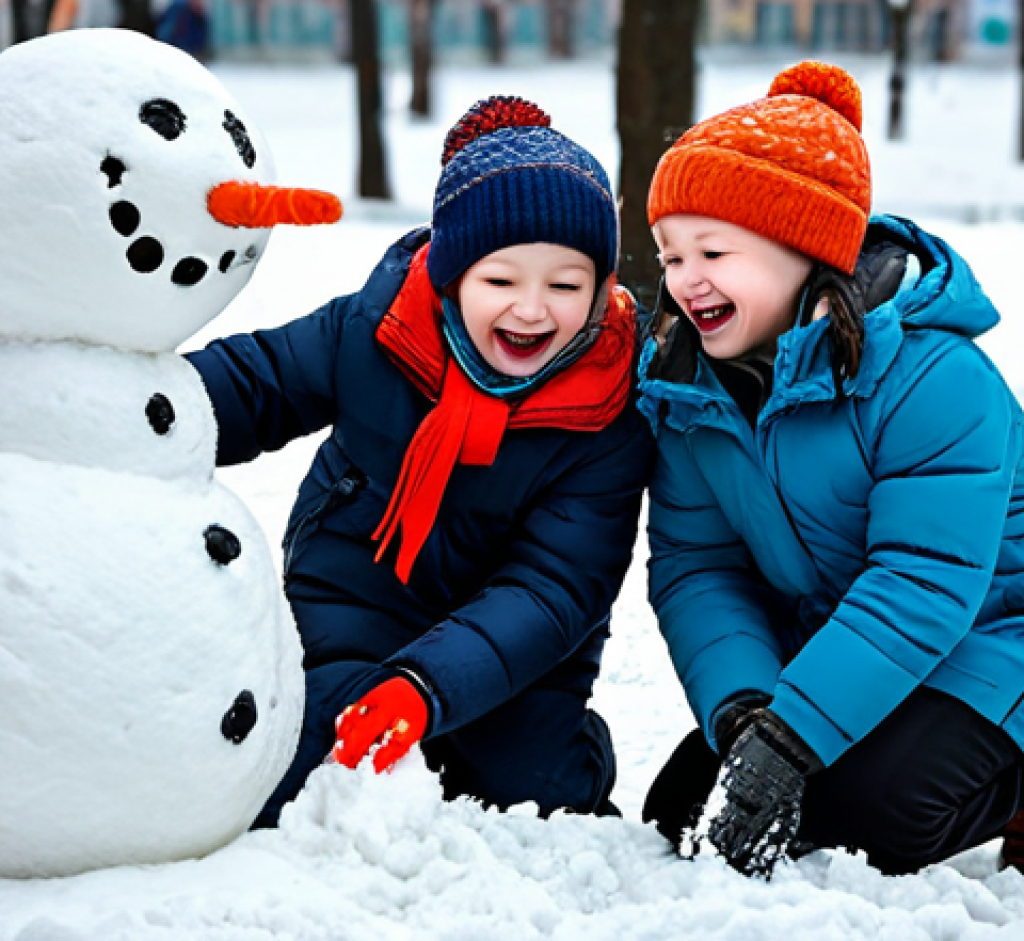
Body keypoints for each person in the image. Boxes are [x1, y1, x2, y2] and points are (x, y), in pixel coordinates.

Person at [186, 96, 654, 827]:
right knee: (304, 759)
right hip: (359, 594)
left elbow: (554, 587)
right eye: (501, 281)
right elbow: (254, 384)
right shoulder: (379, 329)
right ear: (451, 275)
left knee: (532, 790)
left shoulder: (609, 409)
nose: (532, 309)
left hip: (521, 647)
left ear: (599, 292)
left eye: (565, 285)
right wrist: (137, 408)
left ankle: (562, 755)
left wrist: (426, 686)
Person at [637, 60, 1024, 878]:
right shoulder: (689, 390)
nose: (684, 281)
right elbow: (698, 567)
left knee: (876, 816)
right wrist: (747, 712)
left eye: (713, 251)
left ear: (803, 248)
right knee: (684, 807)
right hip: (846, 647)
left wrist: (795, 737)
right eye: (670, 256)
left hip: (993, 638)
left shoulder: (935, 379)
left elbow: (922, 579)